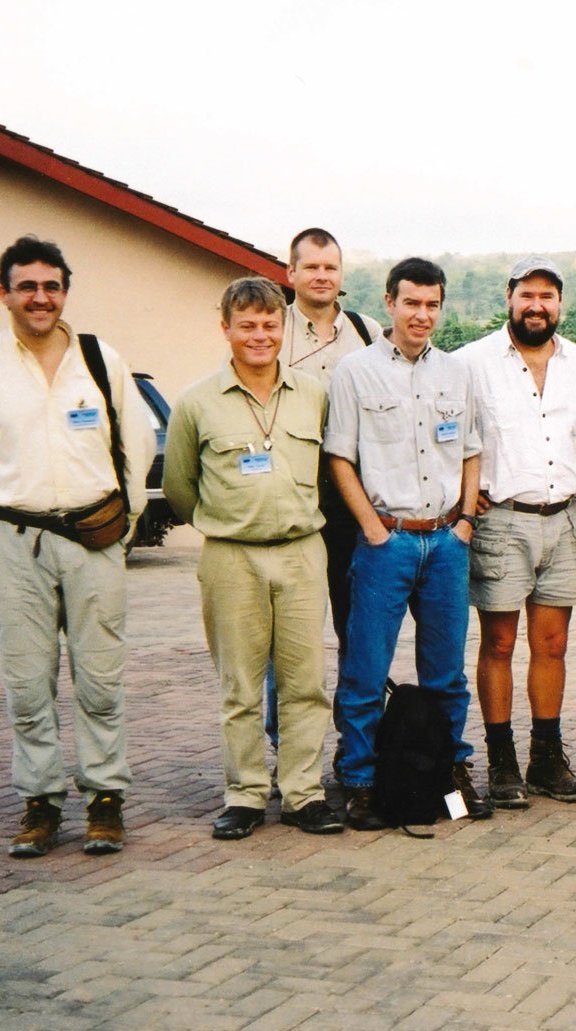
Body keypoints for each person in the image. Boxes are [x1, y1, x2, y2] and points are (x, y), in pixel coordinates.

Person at [0, 235, 154, 857]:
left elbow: (136, 443)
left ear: (66, 291)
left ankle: (105, 798)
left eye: (52, 286)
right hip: (14, 540)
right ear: (3, 292)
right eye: (27, 286)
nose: (41, 297)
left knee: (100, 679)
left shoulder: (99, 359)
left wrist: (126, 522)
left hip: (94, 540)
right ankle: (39, 802)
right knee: (27, 681)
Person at [162, 277, 342, 840]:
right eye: (247, 325)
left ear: (282, 328)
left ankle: (302, 794)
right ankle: (244, 794)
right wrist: (229, 524)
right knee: (240, 684)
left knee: (305, 682)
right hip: (232, 558)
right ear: (226, 329)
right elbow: (179, 488)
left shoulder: (314, 394)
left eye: (270, 325)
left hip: (301, 554)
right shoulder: (196, 402)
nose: (260, 336)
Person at [325, 257, 486, 829]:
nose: (422, 314)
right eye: (411, 303)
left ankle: (449, 773)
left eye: (432, 304)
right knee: (366, 670)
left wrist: (465, 521)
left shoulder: (457, 372)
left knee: (447, 673)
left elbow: (470, 449)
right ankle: (362, 780)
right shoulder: (355, 371)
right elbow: (340, 457)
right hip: (385, 541)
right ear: (389, 302)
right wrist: (371, 527)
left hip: (446, 541)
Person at [458, 256, 576, 808]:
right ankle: (502, 763)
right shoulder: (472, 363)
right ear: (509, 298)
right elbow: (448, 435)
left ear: (559, 304)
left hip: (562, 520)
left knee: (553, 645)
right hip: (501, 523)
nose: (536, 305)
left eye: (547, 296)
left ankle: (547, 760)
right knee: (498, 643)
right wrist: (464, 497)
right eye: (527, 295)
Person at [268, 229, 382, 756]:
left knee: (357, 636)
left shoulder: (367, 332)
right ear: (289, 273)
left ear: (341, 274)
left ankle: (355, 746)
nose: (321, 277)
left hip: (351, 509)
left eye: (330, 268)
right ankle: (288, 751)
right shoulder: (272, 330)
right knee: (287, 643)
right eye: (310, 267)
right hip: (289, 506)